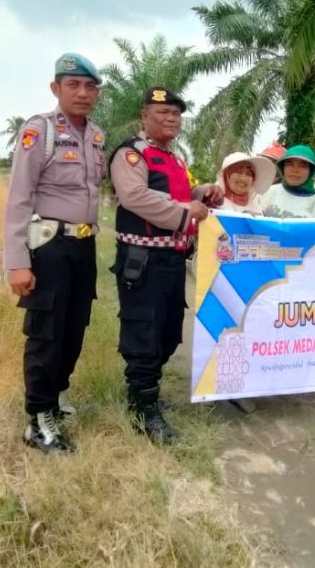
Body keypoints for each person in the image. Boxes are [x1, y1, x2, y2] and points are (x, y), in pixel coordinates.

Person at [3, 52, 106, 454]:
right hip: (49, 245)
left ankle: (56, 395)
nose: (82, 93)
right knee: (46, 333)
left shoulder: (96, 136)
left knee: (74, 327)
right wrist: (16, 262)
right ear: (56, 89)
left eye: (90, 86)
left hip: (83, 245)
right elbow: (18, 197)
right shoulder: (39, 131)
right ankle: (38, 418)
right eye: (73, 85)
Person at [109, 86, 224, 444]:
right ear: (144, 116)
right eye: (162, 112)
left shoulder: (174, 159)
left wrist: (201, 193)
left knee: (170, 331)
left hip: (173, 257)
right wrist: (186, 211)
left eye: (176, 113)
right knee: (144, 332)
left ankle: (146, 396)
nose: (171, 118)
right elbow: (135, 197)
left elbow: (178, 199)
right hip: (142, 258)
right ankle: (143, 409)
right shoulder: (131, 154)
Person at [261, 145, 315, 218]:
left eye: (302, 166)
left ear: (310, 172)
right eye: (290, 164)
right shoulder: (268, 192)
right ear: (282, 168)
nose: (295, 170)